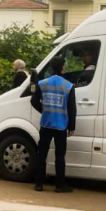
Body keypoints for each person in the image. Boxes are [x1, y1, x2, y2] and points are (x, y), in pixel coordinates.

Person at [31, 56, 77, 193]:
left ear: (51, 67)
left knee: (42, 154)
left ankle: (39, 184)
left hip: (46, 124)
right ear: (62, 68)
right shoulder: (68, 86)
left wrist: (44, 110)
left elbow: (34, 101)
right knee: (60, 156)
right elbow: (72, 108)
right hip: (61, 125)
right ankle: (60, 185)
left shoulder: (42, 83)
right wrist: (71, 126)